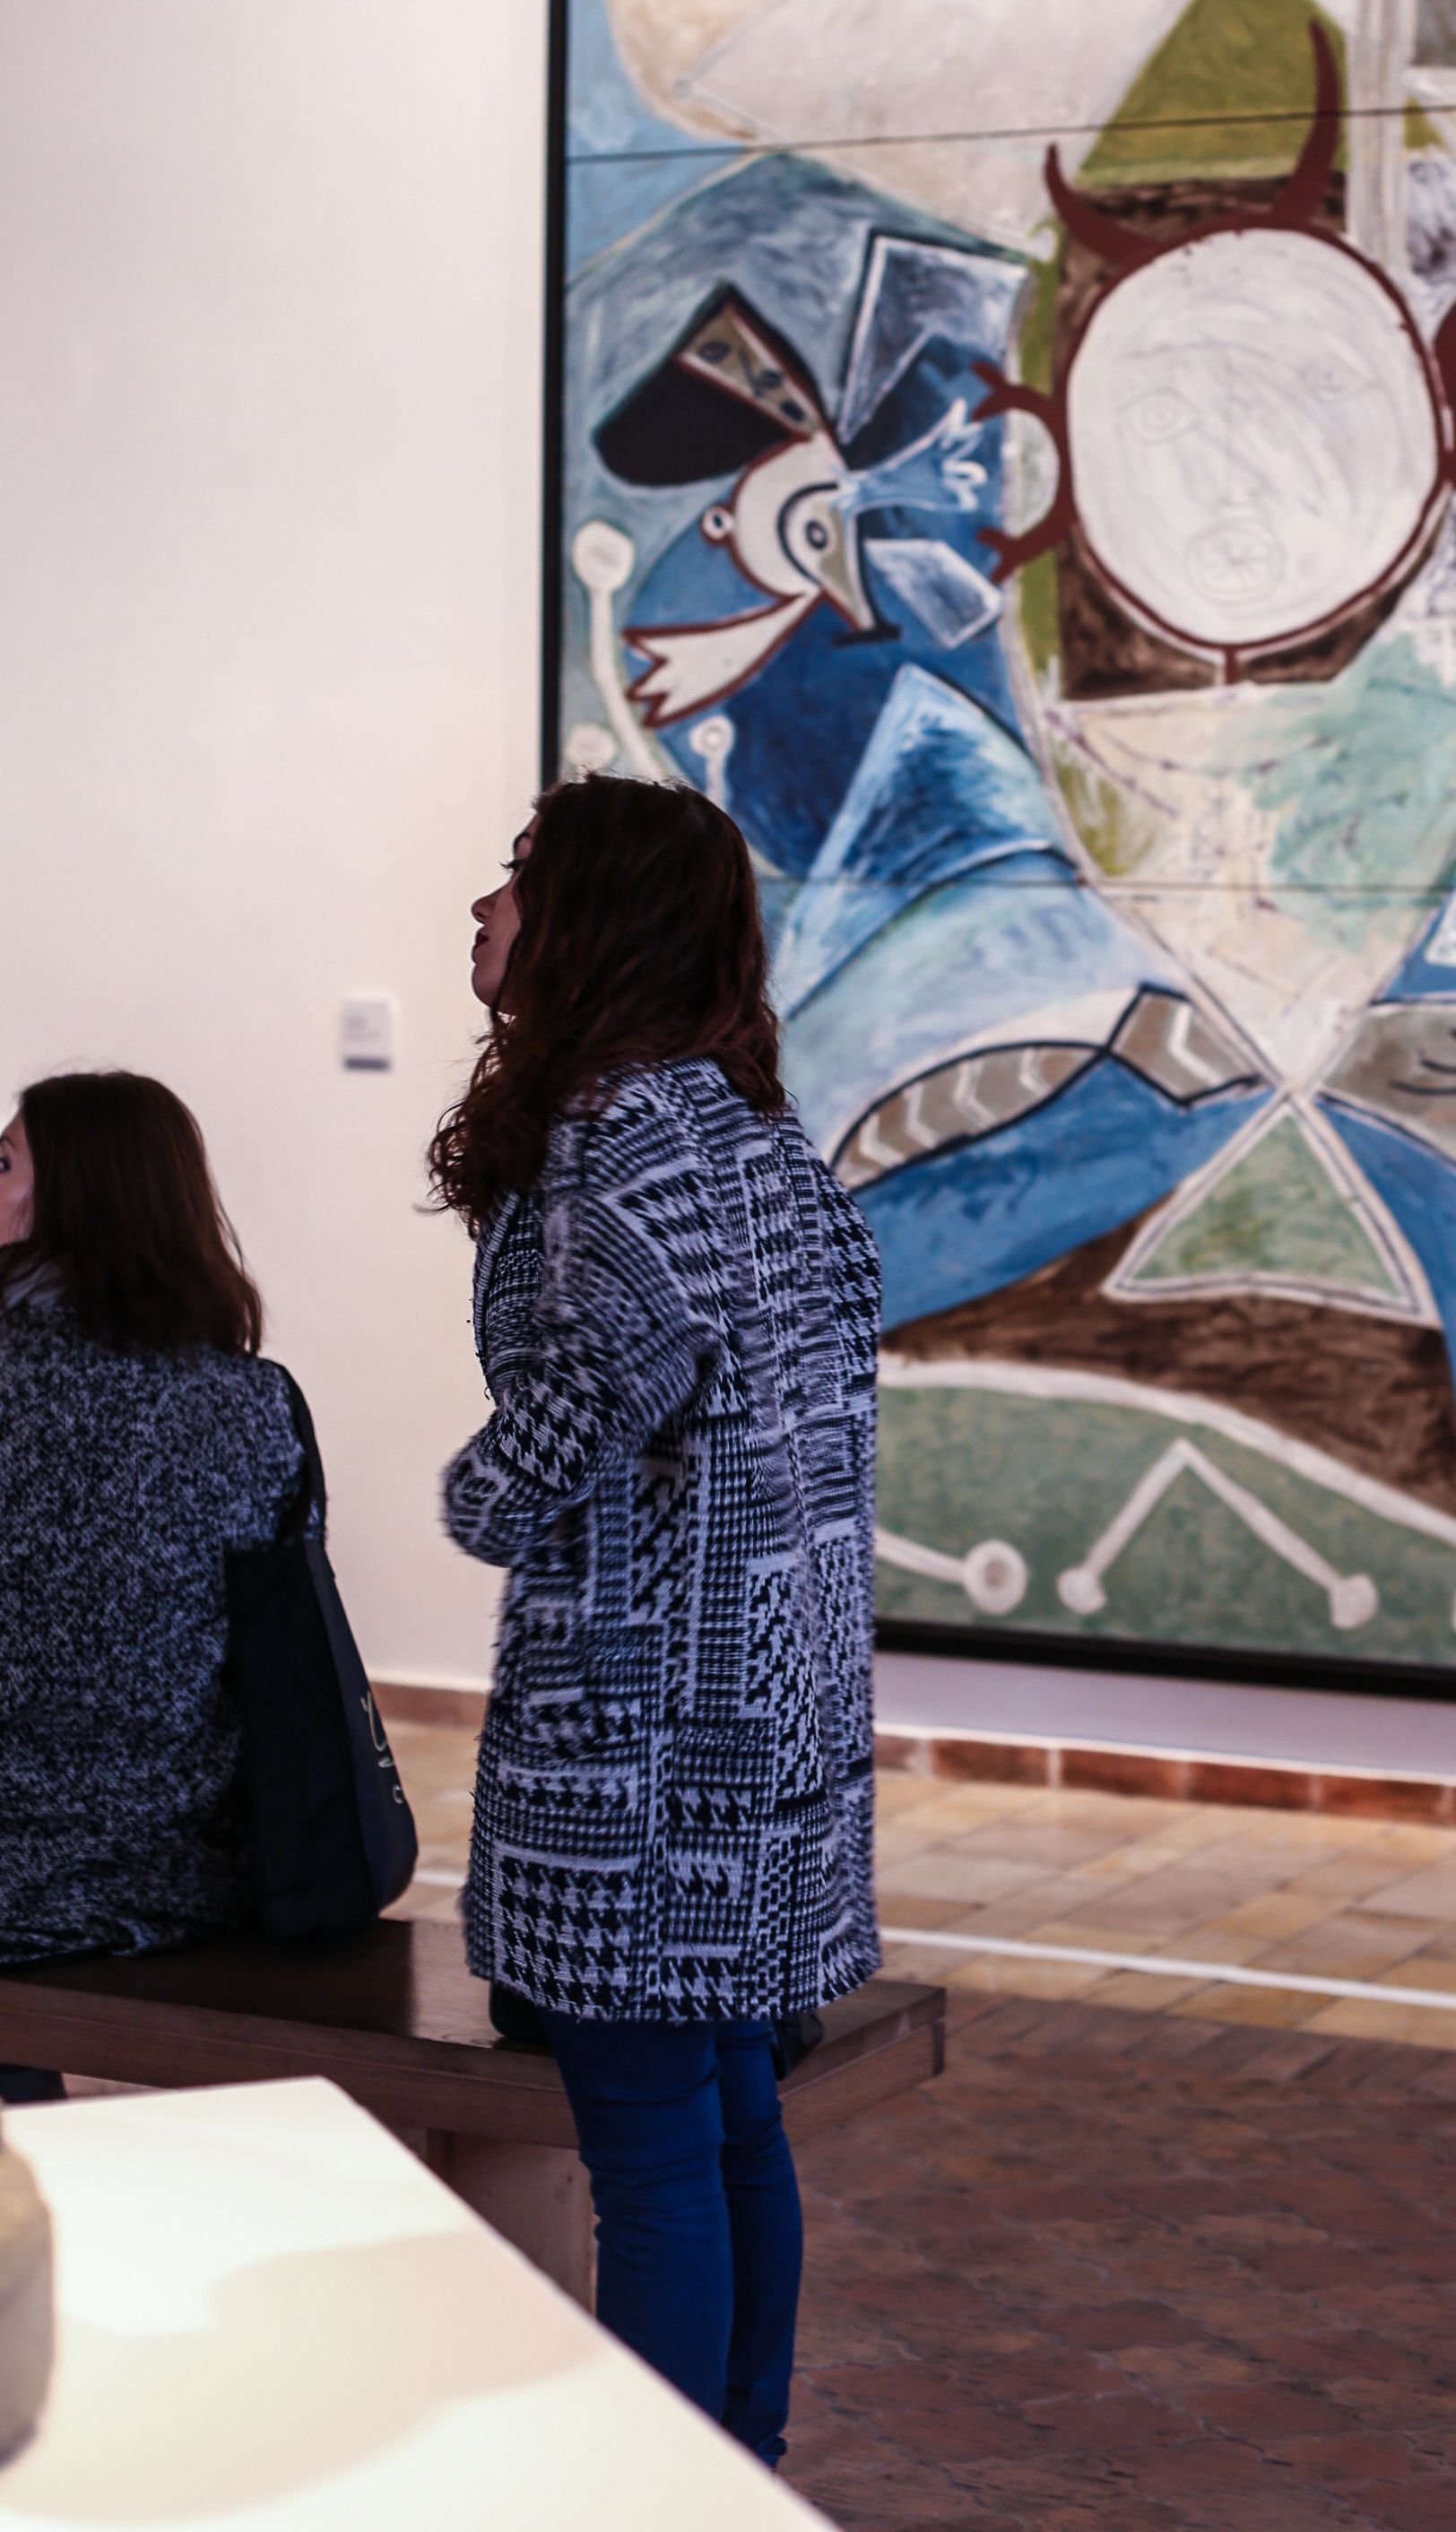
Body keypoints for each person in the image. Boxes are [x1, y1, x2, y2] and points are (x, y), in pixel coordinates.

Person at [432, 776, 880, 2468]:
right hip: (762, 1704)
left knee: (649, 2152)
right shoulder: (749, 1129)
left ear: (593, 920)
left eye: (515, 877)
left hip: (646, 1731)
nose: (483, 907)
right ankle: (738, 2464)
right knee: (728, 2118)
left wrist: (484, 1497)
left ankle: (668, 2485)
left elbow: (617, 1360)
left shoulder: (618, 1129)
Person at [0, 1073, 304, 2096]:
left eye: (3, 1163)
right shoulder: (253, 1402)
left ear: (71, 1199)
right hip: (182, 1872)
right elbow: (280, 1643)